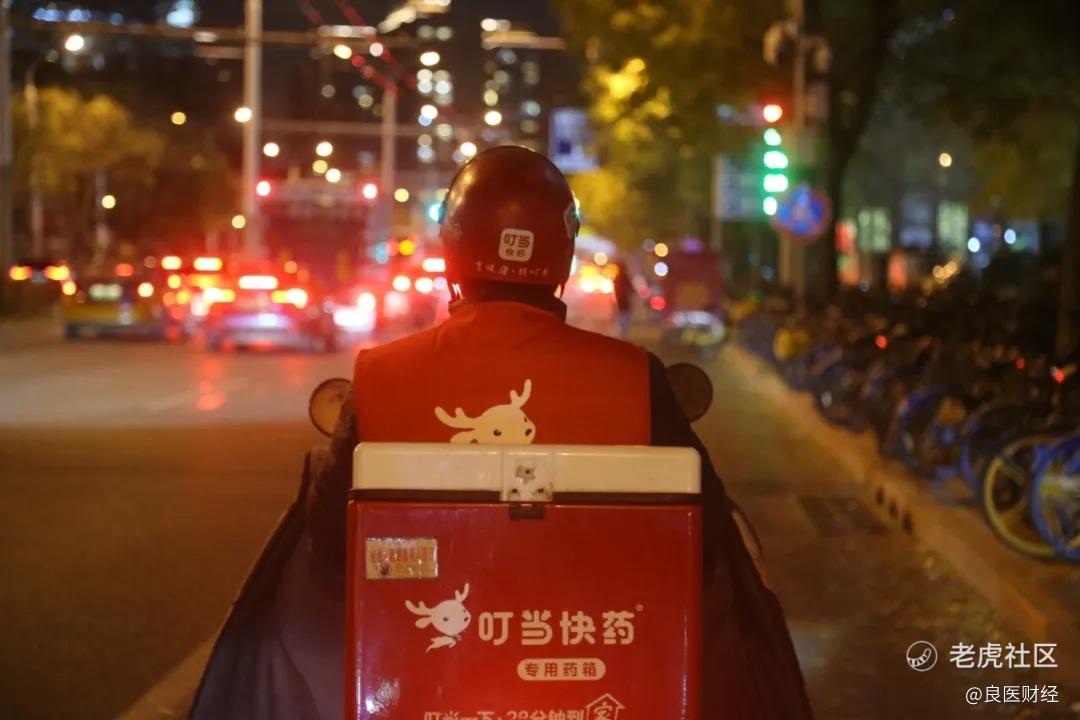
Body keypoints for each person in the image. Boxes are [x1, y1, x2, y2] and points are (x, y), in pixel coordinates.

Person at [191, 146, 813, 720]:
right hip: (598, 672)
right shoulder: (632, 376)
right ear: (563, 255)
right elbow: (704, 538)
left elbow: (328, 541)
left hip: (418, 676)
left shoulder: (381, 375)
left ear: (453, 248)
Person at [613, 259, 635, 338]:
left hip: (620, 300)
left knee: (622, 315)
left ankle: (622, 331)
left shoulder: (617, 277)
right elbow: (631, 289)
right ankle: (623, 332)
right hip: (625, 300)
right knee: (625, 315)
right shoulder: (625, 277)